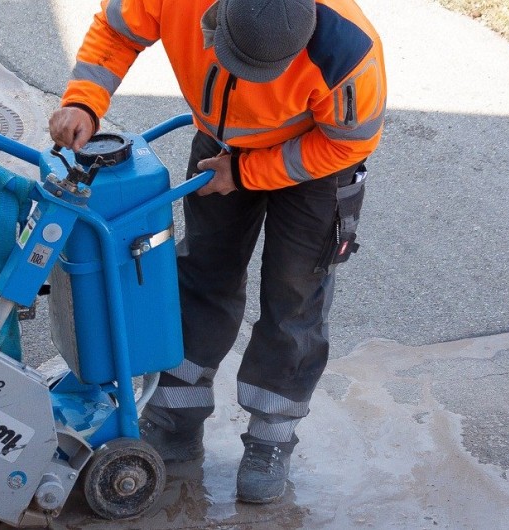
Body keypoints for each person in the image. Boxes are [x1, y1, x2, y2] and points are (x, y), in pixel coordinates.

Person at [49, 0, 386, 504]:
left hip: (315, 161)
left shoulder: (349, 52)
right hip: (220, 142)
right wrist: (84, 100)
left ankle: (271, 438)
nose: (247, 78)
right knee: (201, 273)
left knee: (295, 296)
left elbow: (349, 143)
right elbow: (119, 31)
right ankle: (175, 417)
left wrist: (247, 173)